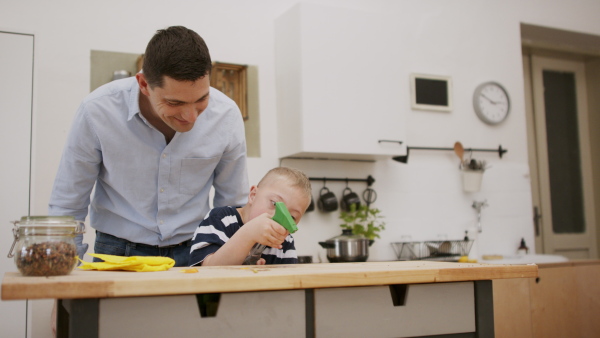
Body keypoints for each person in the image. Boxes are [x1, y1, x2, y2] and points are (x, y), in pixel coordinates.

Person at [48, 26, 249, 267]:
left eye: (201, 99)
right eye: (174, 102)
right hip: (117, 252)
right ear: (144, 84)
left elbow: (233, 203)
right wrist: (64, 271)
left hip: (197, 251)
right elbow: (68, 202)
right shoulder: (97, 111)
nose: (191, 116)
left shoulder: (226, 115)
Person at [189, 167, 312, 266]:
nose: (280, 218)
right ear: (253, 195)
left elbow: (288, 285)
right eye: (275, 204)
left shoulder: (285, 241)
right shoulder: (219, 218)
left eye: (292, 217)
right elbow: (209, 270)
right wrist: (249, 234)